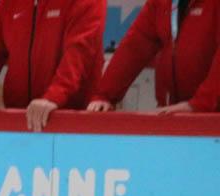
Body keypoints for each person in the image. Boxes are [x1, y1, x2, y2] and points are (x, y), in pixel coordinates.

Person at [0, 0, 105, 131]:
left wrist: (54, 96)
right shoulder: (9, 4)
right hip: (19, 124)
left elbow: (80, 52)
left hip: (72, 124)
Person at [86, 0, 220, 113]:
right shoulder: (162, 3)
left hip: (210, 118)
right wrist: (104, 96)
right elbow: (135, 45)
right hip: (174, 114)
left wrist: (199, 104)